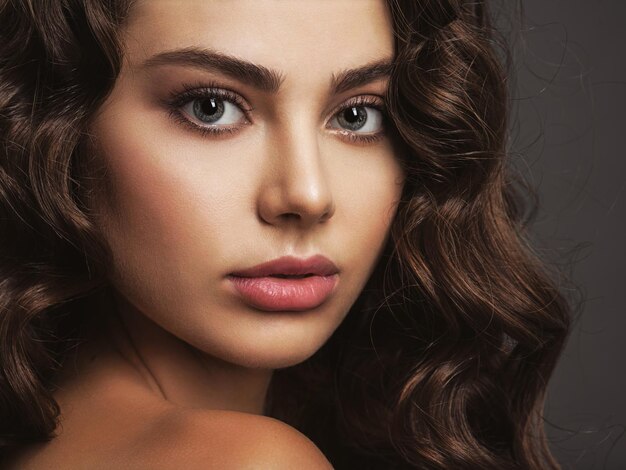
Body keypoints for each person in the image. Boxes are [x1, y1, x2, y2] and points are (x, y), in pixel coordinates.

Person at [0, 0, 571, 468]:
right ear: (61, 133)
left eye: (358, 115)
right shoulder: (250, 461)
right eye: (211, 107)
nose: (307, 194)